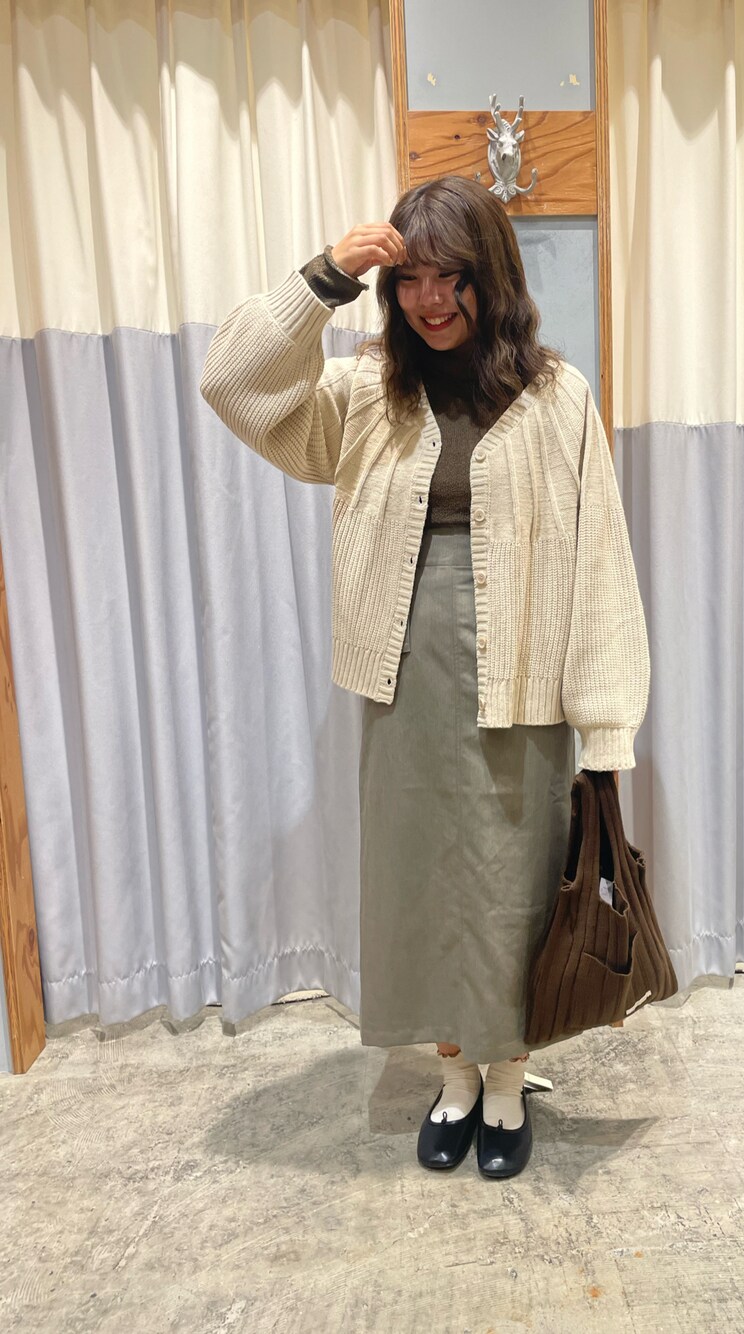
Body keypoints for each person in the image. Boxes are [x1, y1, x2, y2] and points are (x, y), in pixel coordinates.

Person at [200, 175, 650, 1179]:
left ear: (493, 276)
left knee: (514, 888)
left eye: (452, 277)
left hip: (525, 672)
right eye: (409, 279)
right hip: (403, 679)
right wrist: (325, 278)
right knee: (423, 885)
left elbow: (600, 566)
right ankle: (453, 1076)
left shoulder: (558, 397)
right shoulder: (367, 391)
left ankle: (506, 1081)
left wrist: (607, 727)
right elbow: (231, 383)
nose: (430, 300)